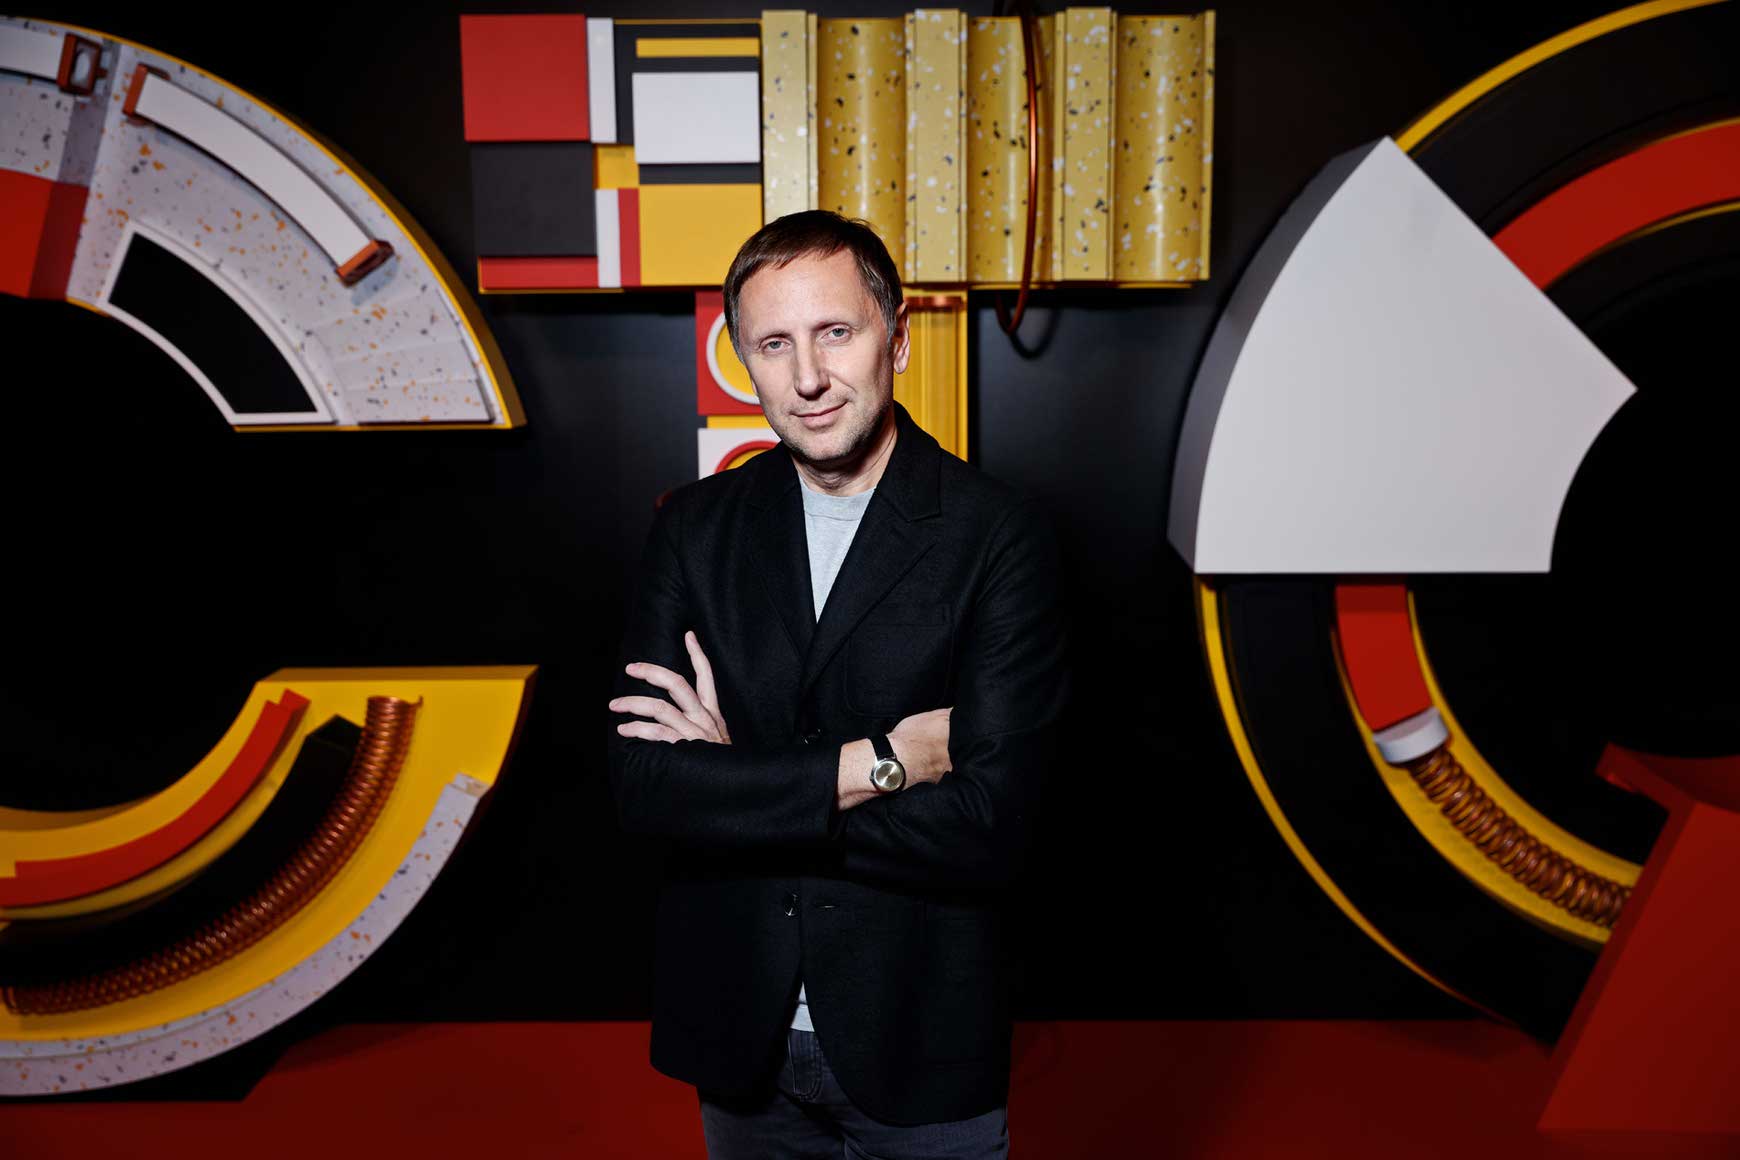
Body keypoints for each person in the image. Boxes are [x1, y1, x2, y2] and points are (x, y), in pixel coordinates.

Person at [606, 210, 1069, 1158]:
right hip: (742, 1037)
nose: (808, 377)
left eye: (836, 332)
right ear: (744, 359)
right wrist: (883, 764)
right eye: (774, 344)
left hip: (920, 1035)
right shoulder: (692, 528)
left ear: (896, 338)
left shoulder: (999, 535)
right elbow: (646, 788)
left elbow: (992, 827)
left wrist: (738, 785)